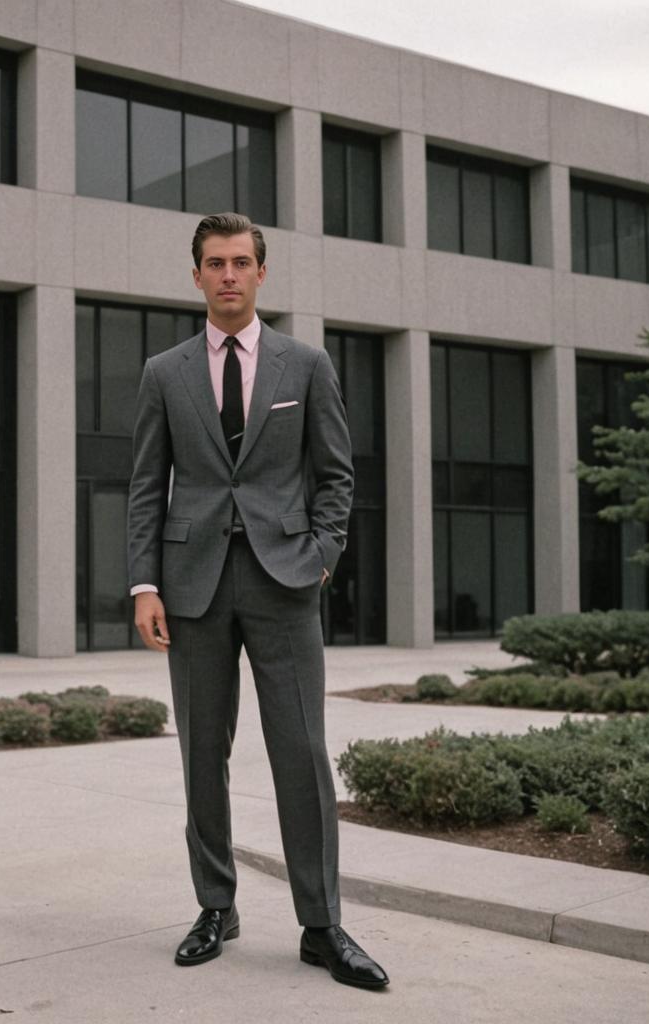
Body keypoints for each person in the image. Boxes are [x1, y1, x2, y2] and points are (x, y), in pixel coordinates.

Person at [126, 212, 389, 990]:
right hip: (193, 585)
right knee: (202, 751)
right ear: (197, 274)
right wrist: (145, 583)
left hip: (284, 583)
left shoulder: (304, 365)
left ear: (262, 273)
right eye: (216, 263)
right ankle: (216, 907)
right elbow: (147, 486)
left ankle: (321, 924)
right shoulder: (164, 372)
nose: (230, 274)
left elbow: (336, 476)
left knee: (301, 755)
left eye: (242, 261)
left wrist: (320, 559)